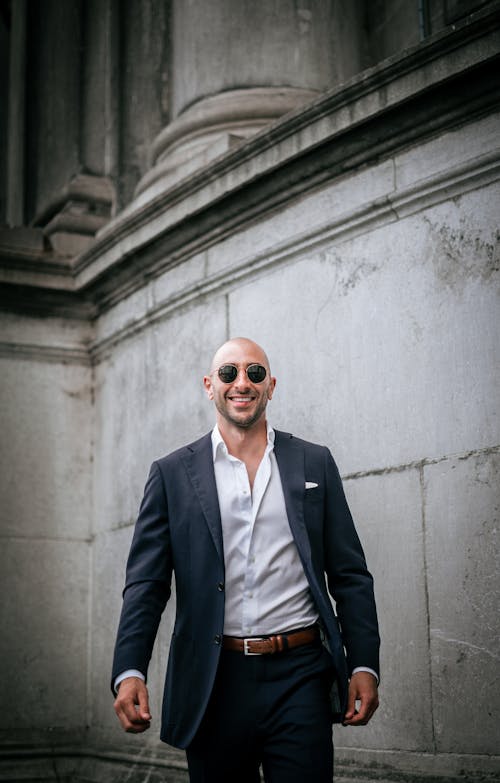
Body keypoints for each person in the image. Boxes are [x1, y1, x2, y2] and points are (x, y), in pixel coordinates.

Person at [112, 337, 380, 782]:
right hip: (215, 680)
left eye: (255, 373)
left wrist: (364, 664)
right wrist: (129, 668)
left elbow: (350, 575)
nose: (242, 382)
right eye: (228, 373)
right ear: (208, 385)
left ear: (271, 386)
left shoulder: (315, 462)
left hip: (300, 675)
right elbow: (146, 584)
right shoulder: (172, 474)